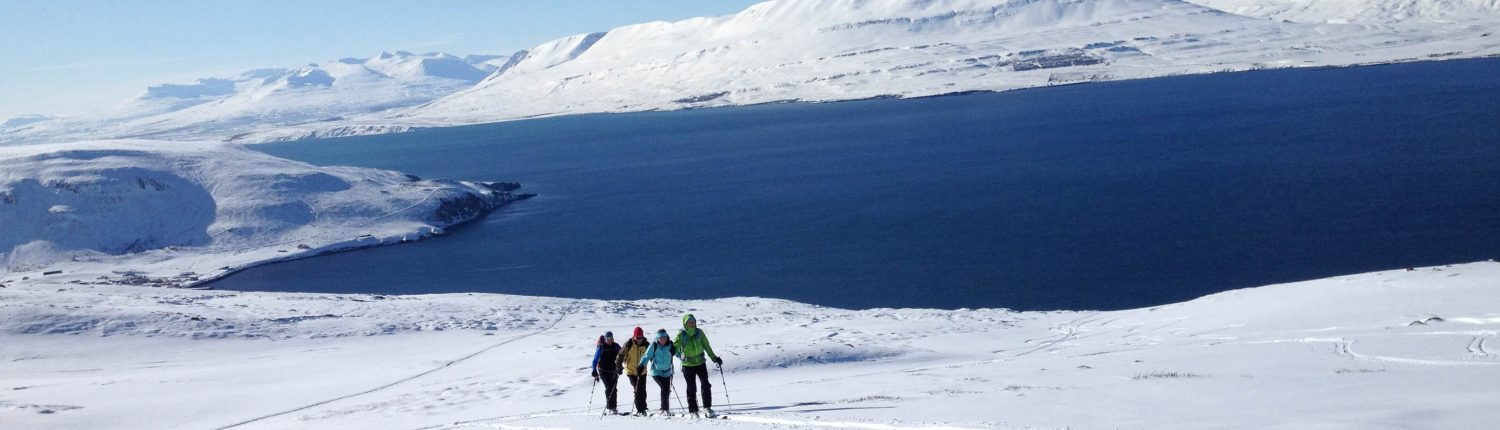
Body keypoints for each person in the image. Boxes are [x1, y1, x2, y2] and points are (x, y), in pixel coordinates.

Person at [675, 313, 723, 416]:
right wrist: (680, 356)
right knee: (691, 387)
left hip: (701, 363)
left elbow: (707, 346)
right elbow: (674, 349)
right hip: (687, 365)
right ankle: (693, 410)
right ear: (685, 323)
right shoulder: (682, 335)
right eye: (689, 322)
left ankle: (707, 408)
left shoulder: (699, 333)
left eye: (693, 322)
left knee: (705, 384)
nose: (692, 324)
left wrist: (714, 358)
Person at [638, 329, 677, 415]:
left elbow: (677, 353)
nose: (663, 340)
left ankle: (665, 409)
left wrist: (678, 354)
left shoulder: (670, 345)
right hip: (656, 371)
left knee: (666, 390)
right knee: (664, 388)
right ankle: (664, 409)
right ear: (657, 338)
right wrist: (641, 365)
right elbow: (646, 356)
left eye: (664, 338)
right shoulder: (654, 345)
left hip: (667, 371)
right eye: (661, 338)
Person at [615, 327, 651, 416]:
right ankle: (640, 409)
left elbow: (651, 354)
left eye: (641, 337)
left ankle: (643, 407)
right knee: (637, 389)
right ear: (634, 336)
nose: (639, 339)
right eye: (638, 337)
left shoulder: (646, 344)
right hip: (631, 371)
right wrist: (618, 366)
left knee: (643, 390)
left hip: (642, 371)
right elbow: (620, 355)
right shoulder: (628, 344)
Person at [590, 331, 623, 414]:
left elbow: (623, 355)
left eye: (611, 338)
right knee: (609, 387)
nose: (610, 340)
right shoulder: (601, 347)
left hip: (614, 370)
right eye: (608, 338)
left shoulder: (616, 346)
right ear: (605, 339)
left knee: (614, 389)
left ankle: (614, 408)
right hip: (603, 370)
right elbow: (595, 360)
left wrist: (620, 366)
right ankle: (609, 408)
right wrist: (594, 370)